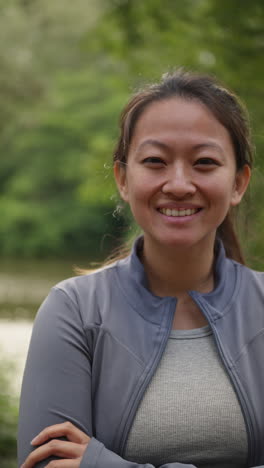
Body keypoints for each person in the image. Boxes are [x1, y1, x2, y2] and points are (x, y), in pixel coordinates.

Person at [18, 69, 264, 468]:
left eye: (204, 162)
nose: (179, 183)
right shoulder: (75, 312)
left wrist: (102, 464)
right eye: (155, 161)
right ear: (123, 179)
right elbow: (45, 462)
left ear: (238, 182)